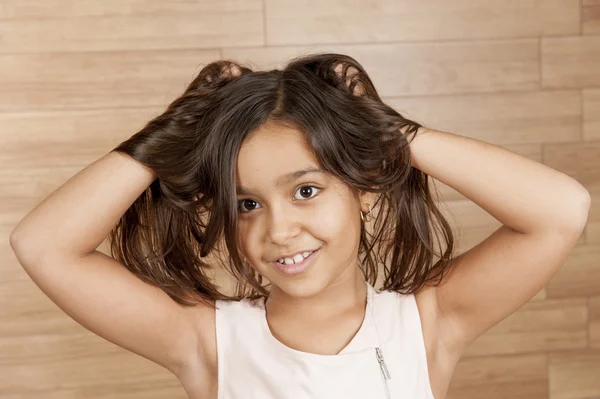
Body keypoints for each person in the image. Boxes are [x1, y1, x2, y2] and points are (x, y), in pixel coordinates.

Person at [10, 52, 590, 399]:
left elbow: (560, 211)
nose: (279, 229)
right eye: (246, 204)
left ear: (363, 190)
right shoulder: (207, 343)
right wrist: (162, 138)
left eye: (306, 191)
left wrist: (389, 131)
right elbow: (42, 246)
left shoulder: (429, 323)